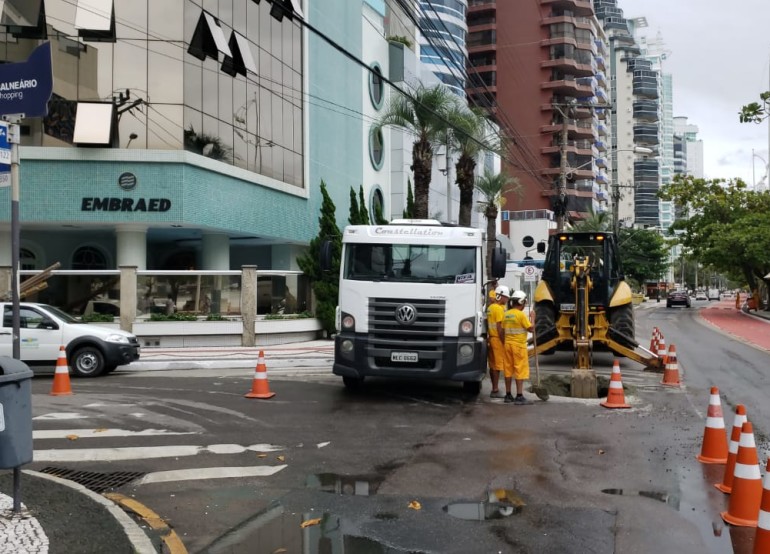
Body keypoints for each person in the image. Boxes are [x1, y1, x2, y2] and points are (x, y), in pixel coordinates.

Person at [501, 289, 534, 404]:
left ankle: (508, 395)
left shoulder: (506, 314)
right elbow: (531, 329)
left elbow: (503, 329)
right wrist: (533, 318)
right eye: (524, 302)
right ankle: (519, 396)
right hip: (518, 346)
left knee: (508, 370)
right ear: (521, 302)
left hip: (507, 345)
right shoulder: (521, 315)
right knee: (520, 369)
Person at [486, 285, 510, 399]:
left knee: (492, 365)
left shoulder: (490, 308)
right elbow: (499, 327)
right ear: (500, 296)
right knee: (497, 366)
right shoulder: (499, 309)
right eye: (506, 297)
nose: (507, 300)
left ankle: (494, 388)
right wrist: (504, 341)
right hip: (497, 340)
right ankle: (495, 390)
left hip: (491, 338)